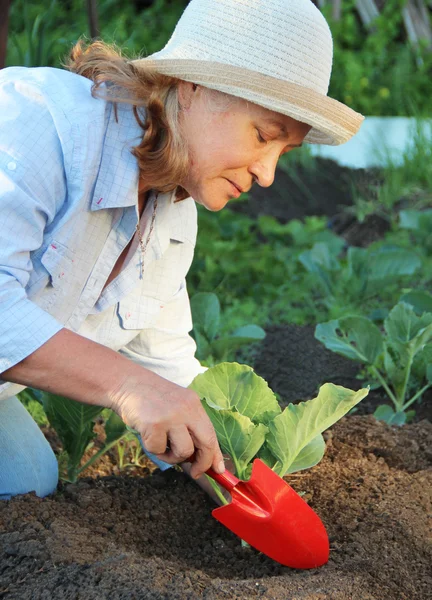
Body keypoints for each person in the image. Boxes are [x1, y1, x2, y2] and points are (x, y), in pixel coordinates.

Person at [0, 0, 363, 502]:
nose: (267, 173)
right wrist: (130, 390)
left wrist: (245, 465)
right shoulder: (36, 125)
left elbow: (166, 367)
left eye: (285, 152)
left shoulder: (170, 220)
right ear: (193, 87)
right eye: (263, 136)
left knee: (25, 482)